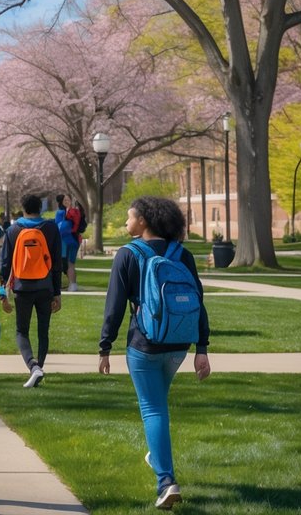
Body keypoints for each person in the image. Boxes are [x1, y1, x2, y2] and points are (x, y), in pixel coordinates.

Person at [99, 197, 211, 511]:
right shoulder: (182, 254)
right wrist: (202, 349)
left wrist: (104, 347)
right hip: (178, 345)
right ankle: (157, 453)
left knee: (153, 411)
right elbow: (198, 302)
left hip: (144, 345)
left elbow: (115, 307)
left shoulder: (128, 254)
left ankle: (166, 481)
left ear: (144, 221)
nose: (126, 221)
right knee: (158, 407)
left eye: (129, 216)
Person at [0, 194, 62, 388]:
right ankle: (39, 368)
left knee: (21, 331)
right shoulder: (50, 228)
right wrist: (57, 293)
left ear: (23, 207)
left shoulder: (13, 230)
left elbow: (5, 265)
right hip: (45, 286)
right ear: (40, 208)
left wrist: (3, 295)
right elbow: (57, 262)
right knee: (43, 330)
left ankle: (33, 367)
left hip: (22, 288)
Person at [58, 194, 82, 291]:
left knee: (67, 263)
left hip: (67, 240)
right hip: (74, 239)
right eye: (65, 200)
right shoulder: (76, 212)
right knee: (71, 263)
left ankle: (72, 284)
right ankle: (73, 284)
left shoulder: (64, 213)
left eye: (67, 200)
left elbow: (58, 226)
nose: (66, 202)